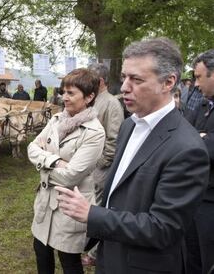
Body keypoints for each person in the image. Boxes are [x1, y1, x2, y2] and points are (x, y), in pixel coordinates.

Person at [55, 38, 210, 274]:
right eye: (124, 77)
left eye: (136, 79)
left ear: (168, 82)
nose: (125, 87)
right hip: (111, 256)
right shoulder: (129, 126)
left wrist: (91, 214)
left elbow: (163, 228)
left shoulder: (187, 148)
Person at [28, 68, 105, 274]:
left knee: (68, 260)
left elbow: (71, 176)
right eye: (64, 92)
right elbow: (31, 148)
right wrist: (55, 161)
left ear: (89, 97)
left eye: (71, 93)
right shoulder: (56, 120)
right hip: (45, 201)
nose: (64, 98)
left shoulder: (94, 132)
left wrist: (43, 165)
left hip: (70, 205)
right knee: (40, 251)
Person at [81, 63, 124, 266]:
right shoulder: (93, 101)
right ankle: (88, 245)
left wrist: (99, 164)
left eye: (90, 79)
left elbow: (114, 140)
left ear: (100, 81)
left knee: (100, 209)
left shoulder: (112, 104)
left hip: (101, 169)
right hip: (88, 167)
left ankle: (97, 253)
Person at [184, 49, 214, 274]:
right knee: (191, 259)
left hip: (211, 204)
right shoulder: (202, 106)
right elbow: (187, 141)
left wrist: (203, 140)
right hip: (194, 197)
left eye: (198, 77)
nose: (195, 84)